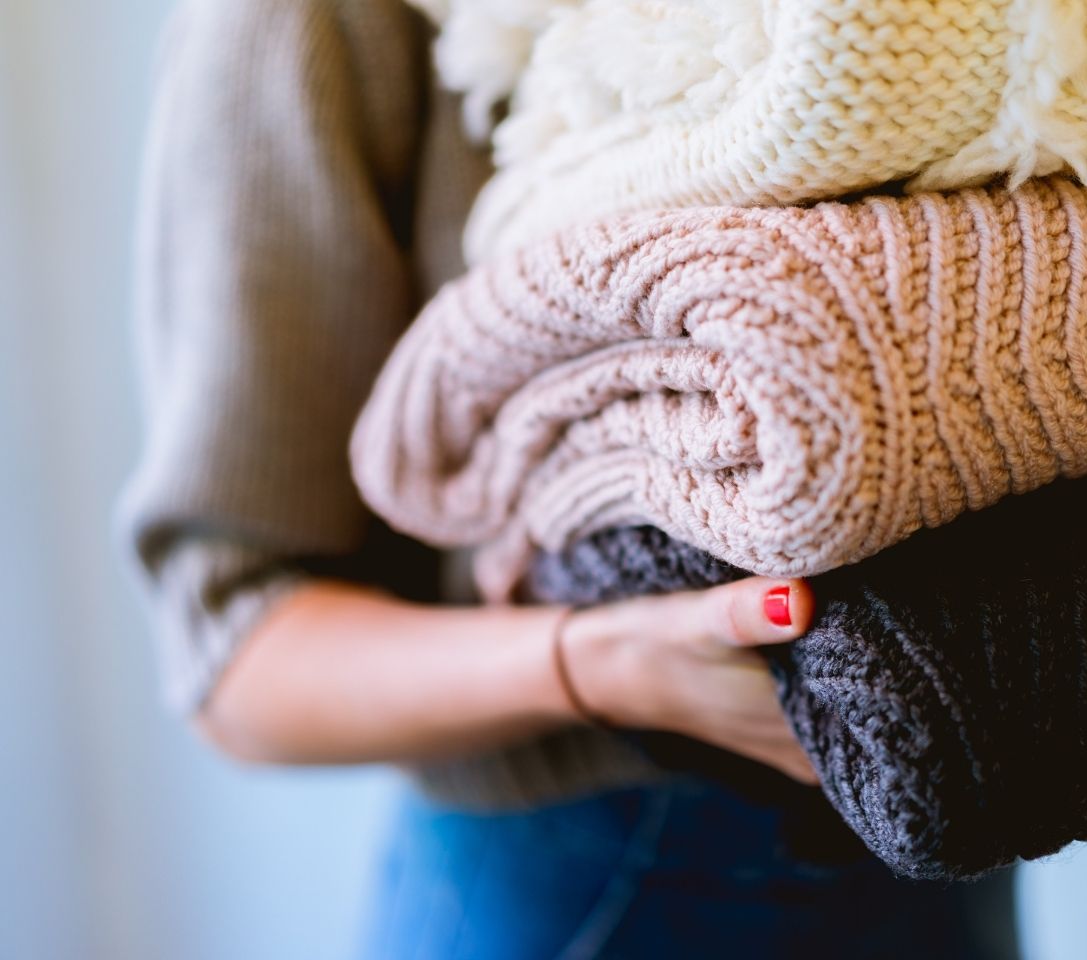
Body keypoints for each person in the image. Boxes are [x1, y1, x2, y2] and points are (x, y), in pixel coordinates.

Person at [120, 0, 1015, 955]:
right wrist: (595, 664)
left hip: (947, 813)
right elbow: (237, 655)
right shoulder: (304, 22)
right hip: (603, 867)